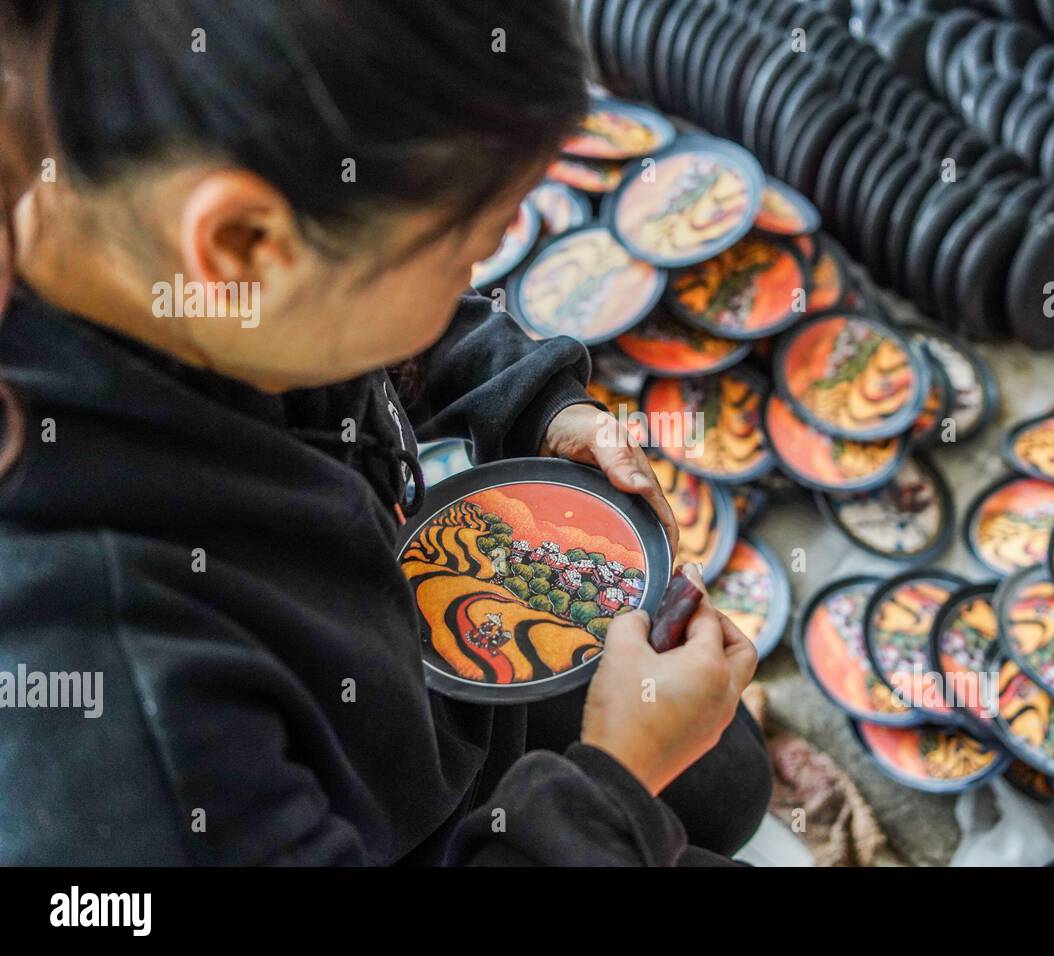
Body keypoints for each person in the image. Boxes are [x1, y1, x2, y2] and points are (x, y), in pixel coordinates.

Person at [0, 0, 771, 865]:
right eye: (458, 255)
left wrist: (534, 404)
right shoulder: (124, 749)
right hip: (399, 830)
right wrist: (615, 782)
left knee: (731, 779)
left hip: (412, 671)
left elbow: (386, 329)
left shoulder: (153, 237)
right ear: (244, 244)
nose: (473, 282)